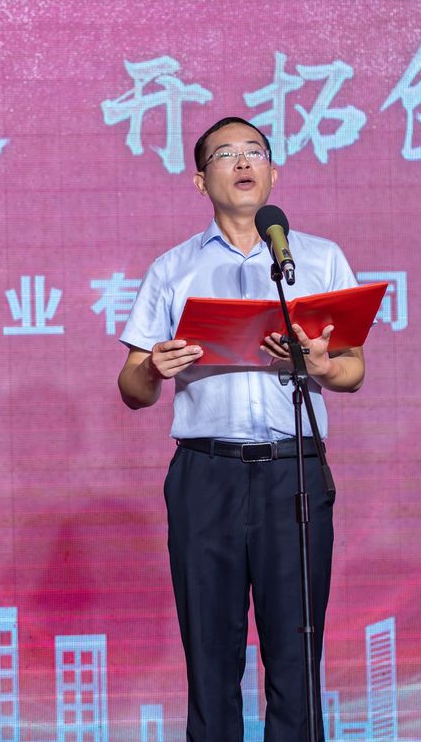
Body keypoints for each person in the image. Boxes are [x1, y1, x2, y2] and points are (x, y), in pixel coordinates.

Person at [117, 116, 365, 742]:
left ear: (274, 172)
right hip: (207, 474)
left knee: (296, 654)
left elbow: (353, 371)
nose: (243, 162)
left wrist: (320, 366)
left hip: (293, 471)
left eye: (254, 151)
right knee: (210, 654)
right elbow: (132, 389)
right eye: (225, 155)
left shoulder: (320, 259)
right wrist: (153, 367)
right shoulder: (173, 268)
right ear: (201, 181)